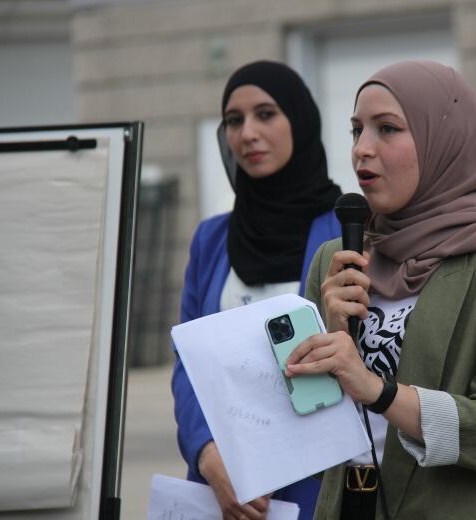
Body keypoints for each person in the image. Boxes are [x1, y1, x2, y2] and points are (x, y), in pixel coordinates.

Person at [285, 60, 476, 519]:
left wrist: (380, 391)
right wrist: (322, 349)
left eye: (387, 129)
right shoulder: (338, 257)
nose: (362, 150)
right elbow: (302, 431)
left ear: (443, 142)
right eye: (356, 131)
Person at [171, 60, 342, 520]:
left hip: (320, 484)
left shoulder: (347, 231)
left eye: (266, 114)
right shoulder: (211, 240)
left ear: (300, 122)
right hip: (224, 488)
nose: (247, 133)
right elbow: (189, 363)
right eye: (234, 120)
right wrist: (207, 453)